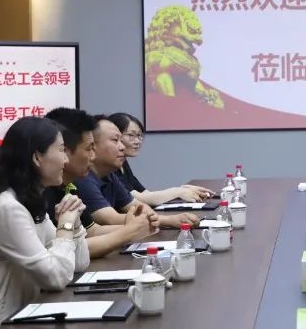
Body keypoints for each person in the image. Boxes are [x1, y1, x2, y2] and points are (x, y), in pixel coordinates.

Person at [0, 117, 90, 325]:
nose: (66, 160)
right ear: (37, 157)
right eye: (61, 150)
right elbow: (56, 278)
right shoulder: (6, 208)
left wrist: (74, 222)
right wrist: (64, 226)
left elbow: (79, 265)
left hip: (23, 317)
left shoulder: (29, 200)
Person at [45, 108, 157, 258]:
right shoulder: (41, 193)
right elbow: (64, 252)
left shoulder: (68, 186)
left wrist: (136, 227)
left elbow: (91, 231)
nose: (93, 156)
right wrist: (128, 232)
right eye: (89, 149)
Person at [75, 115, 199, 228]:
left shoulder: (110, 175)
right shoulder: (82, 179)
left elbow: (138, 206)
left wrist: (167, 218)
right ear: (92, 146)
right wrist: (168, 220)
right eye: (115, 140)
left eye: (121, 140)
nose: (122, 147)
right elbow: (110, 219)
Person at [107, 112, 215, 205]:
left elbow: (145, 193)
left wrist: (182, 189)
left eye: (139, 136)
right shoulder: (110, 166)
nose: (137, 141)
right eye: (132, 135)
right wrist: (178, 192)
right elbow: (139, 199)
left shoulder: (123, 163)